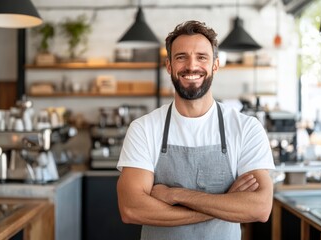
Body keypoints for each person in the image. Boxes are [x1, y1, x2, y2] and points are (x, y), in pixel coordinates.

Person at [116, 20, 275, 240]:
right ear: (169, 66)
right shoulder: (144, 129)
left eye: (202, 57)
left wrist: (174, 194)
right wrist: (225, 203)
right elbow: (132, 209)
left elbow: (260, 208)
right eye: (181, 57)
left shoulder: (246, 128)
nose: (191, 66)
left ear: (215, 65)